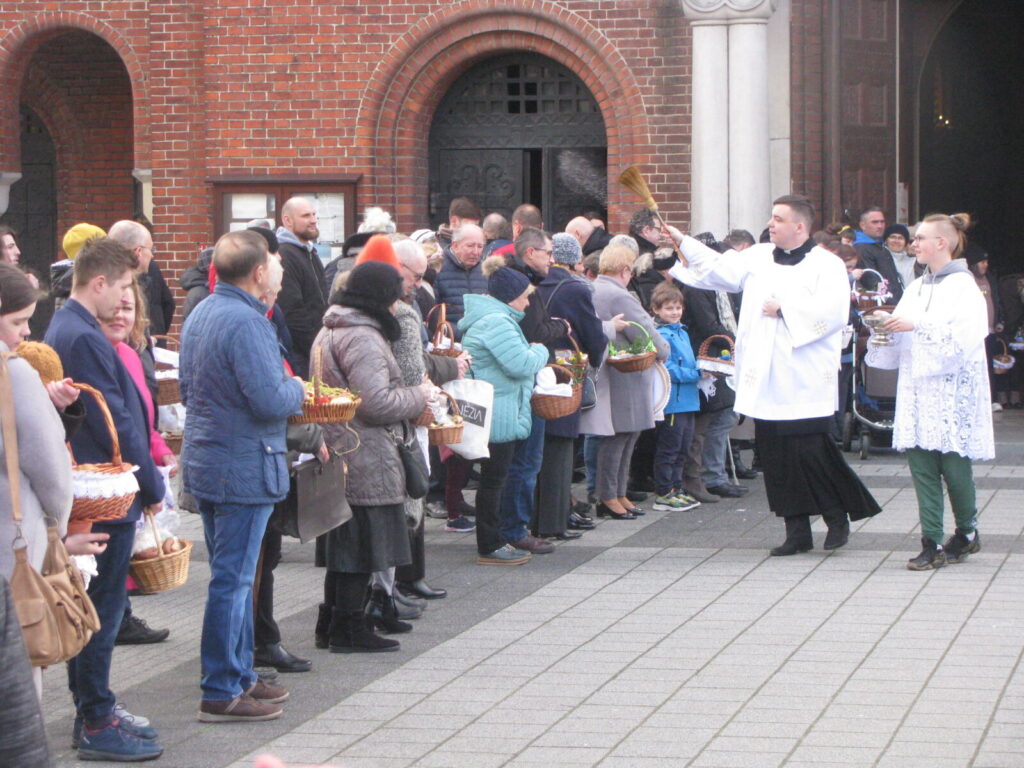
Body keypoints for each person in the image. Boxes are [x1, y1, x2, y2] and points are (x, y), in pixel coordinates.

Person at [670, 194, 881, 555]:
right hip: (765, 374)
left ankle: (835, 514)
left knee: (812, 451)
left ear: (800, 226)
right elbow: (719, 268)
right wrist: (681, 241)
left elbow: (833, 313)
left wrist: (786, 309)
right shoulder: (758, 255)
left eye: (778, 219)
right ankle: (796, 529)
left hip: (803, 376)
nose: (771, 223)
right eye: (771, 217)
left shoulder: (827, 265)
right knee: (776, 456)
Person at [44, 237, 165, 761]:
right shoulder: (82, 335)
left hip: (99, 491)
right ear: (98, 282)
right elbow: (113, 419)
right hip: (104, 494)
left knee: (98, 608)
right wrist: (152, 485)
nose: (123, 301)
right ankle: (95, 717)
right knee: (102, 613)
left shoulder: (72, 327)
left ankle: (95, 710)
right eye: (121, 288)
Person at [180, 229, 304, 722]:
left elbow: (190, 389)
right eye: (273, 262)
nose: (278, 269)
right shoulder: (247, 321)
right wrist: (297, 389)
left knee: (233, 577)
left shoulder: (204, 311)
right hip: (242, 464)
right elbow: (270, 399)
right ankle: (220, 688)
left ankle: (239, 674)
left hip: (211, 459)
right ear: (257, 272)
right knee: (233, 581)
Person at [313, 261, 432, 651]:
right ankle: (349, 629)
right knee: (361, 546)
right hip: (364, 450)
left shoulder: (333, 327)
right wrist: (419, 395)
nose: (399, 305)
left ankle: (333, 624)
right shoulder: (362, 336)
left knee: (345, 545)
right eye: (396, 297)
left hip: (342, 446)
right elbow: (375, 403)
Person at [868, 214, 994, 570]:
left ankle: (967, 531)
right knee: (922, 467)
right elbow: (903, 329)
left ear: (942, 243)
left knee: (954, 469)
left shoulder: (964, 286)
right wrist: (885, 326)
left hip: (952, 391)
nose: (915, 243)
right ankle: (931, 542)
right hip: (918, 390)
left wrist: (917, 325)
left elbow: (966, 338)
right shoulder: (917, 286)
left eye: (921, 237)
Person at [459, 256, 549, 565]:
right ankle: (490, 544)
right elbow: (521, 363)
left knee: (495, 480)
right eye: (525, 296)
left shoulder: (496, 318)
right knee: (494, 482)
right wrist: (540, 349)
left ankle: (495, 540)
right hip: (498, 413)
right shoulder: (496, 322)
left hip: (501, 410)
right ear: (511, 296)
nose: (527, 302)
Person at [580, 244, 670, 520]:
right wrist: (664, 350)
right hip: (625, 376)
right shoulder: (619, 295)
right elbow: (644, 332)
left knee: (622, 436)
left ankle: (617, 494)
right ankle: (610, 496)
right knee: (621, 436)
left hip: (609, 373)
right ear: (625, 270)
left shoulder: (593, 288)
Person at [533, 233, 610, 540]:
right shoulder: (576, 288)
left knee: (536, 450)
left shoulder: (532, 282)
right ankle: (554, 521)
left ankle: (538, 517)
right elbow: (592, 333)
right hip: (564, 372)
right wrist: (595, 358)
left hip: (533, 368)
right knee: (561, 448)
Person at [649, 281, 702, 512]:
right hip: (672, 401)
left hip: (689, 400)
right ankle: (663, 492)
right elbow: (667, 368)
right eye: (669, 308)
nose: (675, 312)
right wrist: (696, 374)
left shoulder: (683, 332)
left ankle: (676, 488)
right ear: (656, 310)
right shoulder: (662, 335)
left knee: (683, 448)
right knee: (669, 449)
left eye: (678, 307)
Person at [276, 197, 328, 378]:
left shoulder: (310, 252)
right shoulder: (284, 254)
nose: (313, 220)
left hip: (315, 349)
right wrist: (316, 348)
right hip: (301, 355)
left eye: (314, 214)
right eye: (306, 216)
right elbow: (291, 311)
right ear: (287, 220)